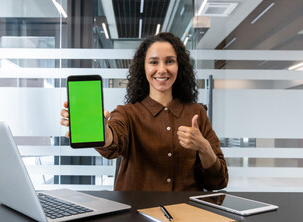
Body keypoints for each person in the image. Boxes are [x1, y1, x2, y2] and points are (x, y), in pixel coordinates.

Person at [61, 32, 228, 191]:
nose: (162, 69)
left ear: (180, 66)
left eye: (169, 61)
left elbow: (219, 180)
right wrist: (103, 131)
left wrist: (204, 147)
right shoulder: (127, 113)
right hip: (137, 215)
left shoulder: (196, 112)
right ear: (143, 68)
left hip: (187, 214)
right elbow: (113, 142)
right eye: (154, 62)